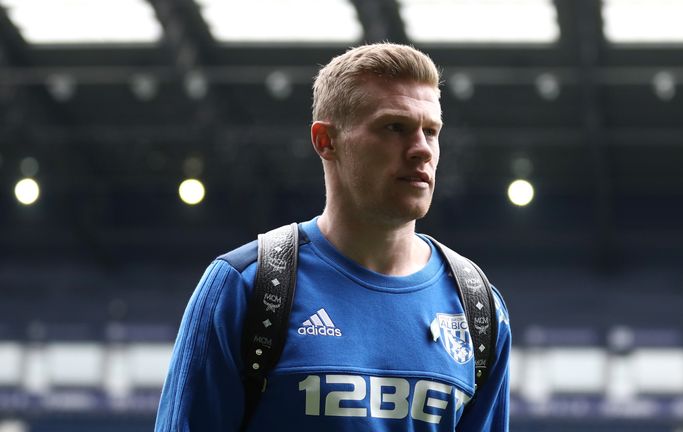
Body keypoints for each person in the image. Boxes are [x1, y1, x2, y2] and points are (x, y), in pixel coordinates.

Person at [155, 43, 511, 431]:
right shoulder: (246, 287)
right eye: (395, 127)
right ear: (326, 141)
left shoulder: (478, 306)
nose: (422, 150)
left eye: (431, 131)